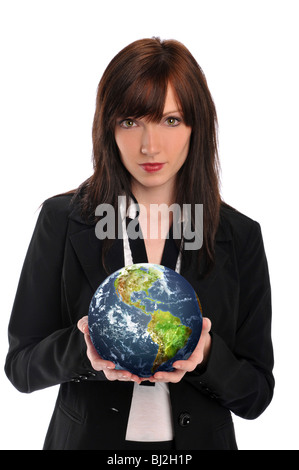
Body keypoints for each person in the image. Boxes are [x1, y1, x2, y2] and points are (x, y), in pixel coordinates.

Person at [4, 37, 274, 450]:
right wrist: (84, 349)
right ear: (108, 127)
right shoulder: (61, 220)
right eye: (130, 121)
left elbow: (256, 395)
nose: (150, 146)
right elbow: (21, 368)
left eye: (171, 120)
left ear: (196, 127)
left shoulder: (239, 235)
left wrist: (206, 358)